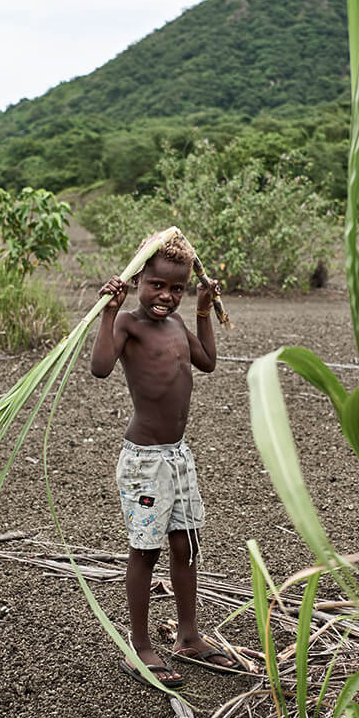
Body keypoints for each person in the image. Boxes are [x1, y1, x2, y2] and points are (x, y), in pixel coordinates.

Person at [90, 237, 246, 689]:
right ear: (138, 280)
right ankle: (139, 644)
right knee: (146, 551)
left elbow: (209, 362)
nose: (165, 296)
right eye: (157, 285)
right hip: (144, 461)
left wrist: (201, 309)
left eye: (176, 289)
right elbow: (100, 368)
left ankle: (189, 636)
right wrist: (107, 310)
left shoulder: (178, 322)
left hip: (178, 457)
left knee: (186, 546)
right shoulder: (127, 325)